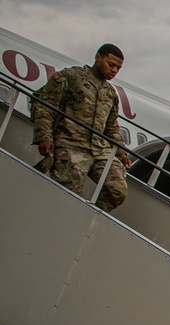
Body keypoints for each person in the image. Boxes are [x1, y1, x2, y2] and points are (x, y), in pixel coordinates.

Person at [31, 43, 132, 212]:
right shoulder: (71, 77)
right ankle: (67, 221)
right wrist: (45, 136)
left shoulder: (110, 93)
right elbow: (44, 106)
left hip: (99, 150)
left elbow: (111, 128)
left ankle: (87, 218)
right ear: (98, 58)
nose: (114, 71)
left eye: (118, 68)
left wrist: (122, 152)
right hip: (70, 146)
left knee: (117, 189)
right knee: (68, 197)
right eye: (111, 64)